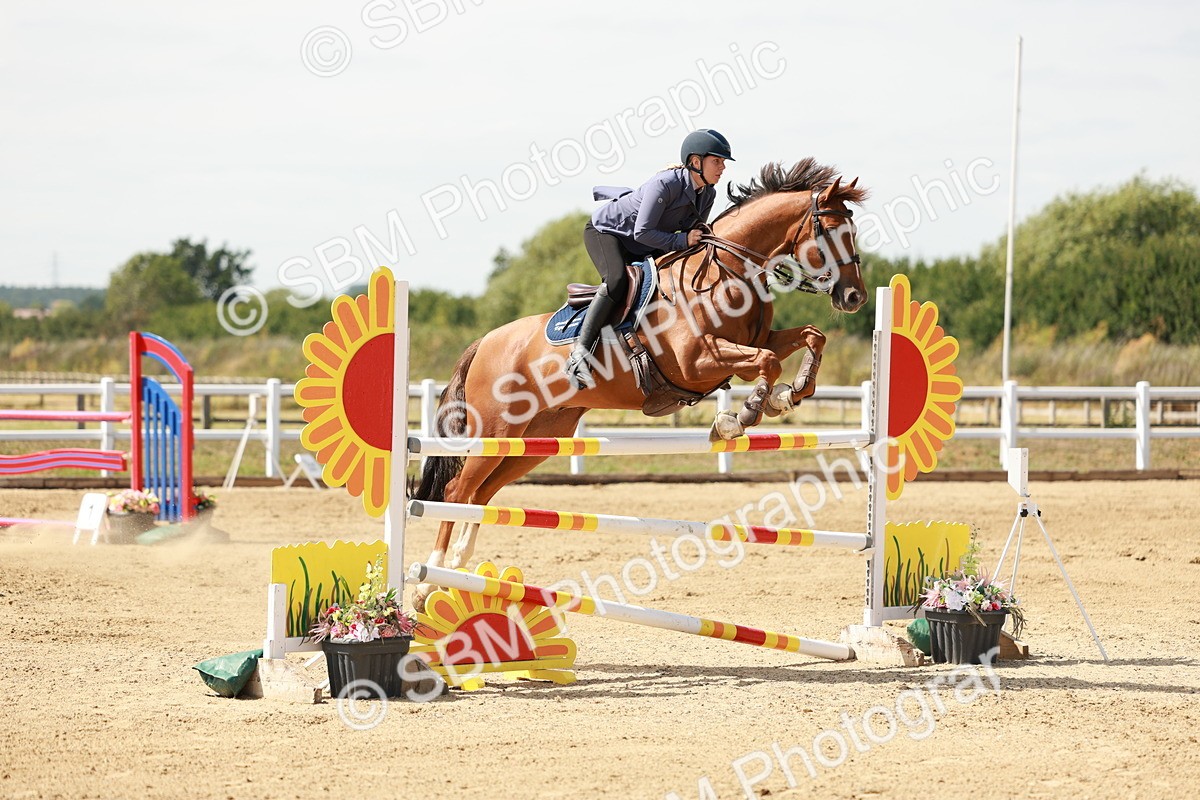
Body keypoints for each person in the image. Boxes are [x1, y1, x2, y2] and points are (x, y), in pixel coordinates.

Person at [564, 128, 734, 389]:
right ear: (696, 162)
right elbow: (642, 231)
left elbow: (694, 233)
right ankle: (580, 354)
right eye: (717, 161)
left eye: (723, 163)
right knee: (617, 281)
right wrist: (681, 240)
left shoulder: (707, 193)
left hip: (646, 242)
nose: (722, 168)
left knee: (676, 283)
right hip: (609, 233)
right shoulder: (665, 184)